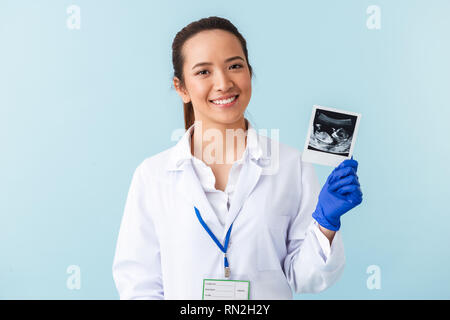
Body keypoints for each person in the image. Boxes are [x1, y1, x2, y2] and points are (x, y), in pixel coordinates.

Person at [112, 16, 363, 300]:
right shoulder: (153, 175)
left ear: (249, 71)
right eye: (204, 72)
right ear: (181, 88)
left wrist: (326, 223)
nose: (223, 83)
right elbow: (138, 284)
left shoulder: (292, 166)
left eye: (234, 66)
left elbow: (306, 278)